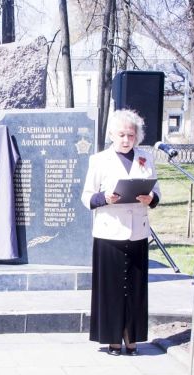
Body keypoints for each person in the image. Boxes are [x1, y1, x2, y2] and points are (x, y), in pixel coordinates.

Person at [81, 109, 161, 356]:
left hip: (137, 232)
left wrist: (151, 198)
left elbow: (156, 190)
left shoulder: (146, 158)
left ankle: (132, 338)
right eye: (122, 135)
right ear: (112, 135)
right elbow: (86, 197)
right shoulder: (99, 160)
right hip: (109, 233)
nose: (126, 140)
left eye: (131, 135)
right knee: (112, 289)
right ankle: (113, 338)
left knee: (136, 288)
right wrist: (104, 198)